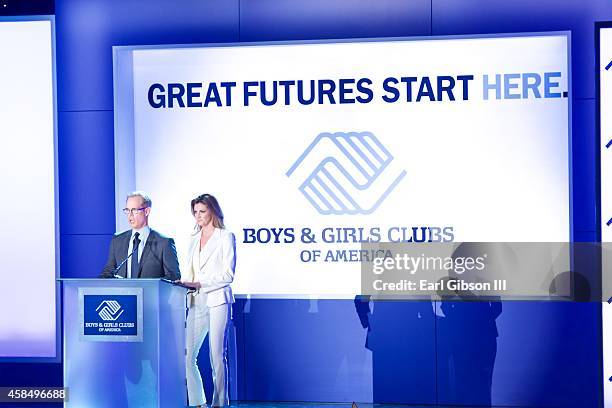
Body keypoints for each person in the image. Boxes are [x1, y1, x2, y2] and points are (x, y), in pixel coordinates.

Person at [180, 193, 236, 408]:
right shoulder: (193, 240)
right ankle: (198, 403)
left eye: (202, 211)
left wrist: (200, 283)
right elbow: (191, 273)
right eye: (195, 212)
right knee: (187, 356)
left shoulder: (225, 237)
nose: (198, 216)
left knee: (216, 356)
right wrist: (185, 283)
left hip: (217, 300)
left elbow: (228, 276)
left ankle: (220, 403)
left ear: (213, 210)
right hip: (196, 302)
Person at [99, 191, 180, 280]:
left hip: (151, 294)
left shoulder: (164, 242)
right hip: (123, 293)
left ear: (146, 211)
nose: (130, 215)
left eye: (134, 210)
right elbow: (108, 272)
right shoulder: (117, 240)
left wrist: (150, 286)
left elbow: (173, 277)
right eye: (127, 210)